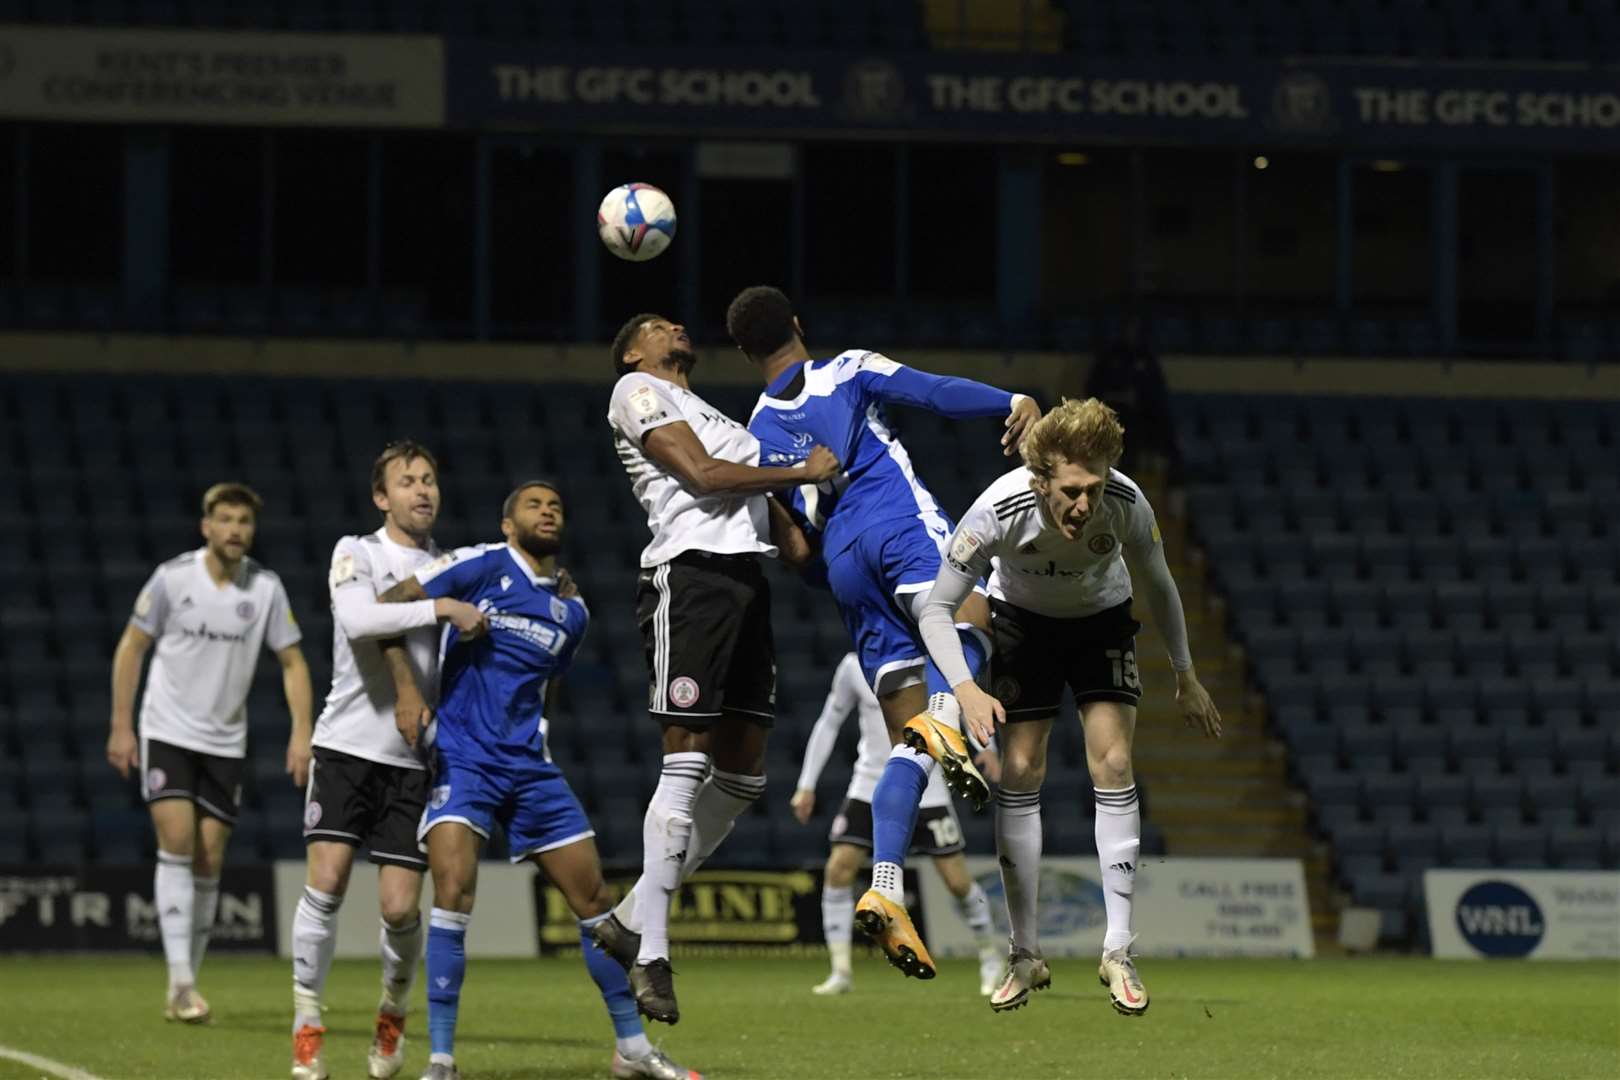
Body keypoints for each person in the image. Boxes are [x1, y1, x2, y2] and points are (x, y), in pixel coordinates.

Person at [727, 284, 1040, 980]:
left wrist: (835, 565)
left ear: (747, 352)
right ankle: (948, 711)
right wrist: (1010, 402)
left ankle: (888, 881)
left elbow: (796, 551)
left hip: (842, 565)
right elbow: (933, 392)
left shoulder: (757, 434)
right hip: (897, 524)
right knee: (974, 616)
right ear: (798, 326)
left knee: (913, 746)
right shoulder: (845, 368)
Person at [376, 482, 703, 1080]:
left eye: (556, 504)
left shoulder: (572, 612)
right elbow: (389, 607)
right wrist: (408, 684)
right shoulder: (482, 565)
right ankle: (442, 1060)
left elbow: (547, 681)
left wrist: (541, 726)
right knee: (453, 895)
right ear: (508, 524)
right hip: (465, 758)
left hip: (531, 767)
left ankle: (632, 1051)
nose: (549, 510)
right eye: (534, 504)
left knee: (595, 903)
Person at [915, 398, 1223, 1015]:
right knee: (1022, 770)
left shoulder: (1128, 502)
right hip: (1022, 626)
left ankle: (1117, 952)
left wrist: (1186, 675)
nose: (1086, 504)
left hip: (1101, 621)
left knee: (1112, 764)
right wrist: (966, 689)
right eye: (1072, 490)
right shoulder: (996, 510)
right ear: (1040, 481)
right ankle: (1024, 954)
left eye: (1096, 487)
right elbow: (933, 608)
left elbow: (1160, 583)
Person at [589, 314, 837, 1024]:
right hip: (689, 578)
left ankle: (631, 915)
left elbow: (787, 541)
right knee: (687, 762)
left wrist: (810, 518)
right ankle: (653, 955)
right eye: (656, 325)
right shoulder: (635, 390)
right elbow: (699, 475)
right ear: (633, 349)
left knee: (744, 775)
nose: (675, 327)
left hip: (746, 583)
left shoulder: (721, 414)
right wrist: (798, 470)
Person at [289, 442, 490, 1080]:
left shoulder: (451, 563)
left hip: (413, 758)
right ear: (383, 497)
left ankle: (391, 1014)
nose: (422, 491)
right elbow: (356, 619)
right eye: (407, 482)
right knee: (326, 884)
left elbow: (501, 587)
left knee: (402, 909)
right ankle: (307, 1027)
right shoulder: (359, 551)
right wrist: (440, 608)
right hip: (347, 745)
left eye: (429, 480)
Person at [106, 482, 313, 1024]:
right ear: (206, 527)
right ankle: (180, 983)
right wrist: (121, 726)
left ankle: (187, 984)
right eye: (225, 519)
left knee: (209, 858)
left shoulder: (266, 588)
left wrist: (301, 732)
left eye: (244, 521)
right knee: (176, 841)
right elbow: (132, 646)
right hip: (168, 729)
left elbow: (292, 662)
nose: (235, 530)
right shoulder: (174, 578)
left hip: (225, 740)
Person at [791, 652, 1002, 997]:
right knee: (838, 870)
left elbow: (964, 700)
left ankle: (990, 959)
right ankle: (840, 970)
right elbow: (830, 720)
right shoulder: (853, 665)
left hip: (928, 787)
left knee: (957, 882)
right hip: (870, 783)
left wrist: (987, 745)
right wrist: (806, 784)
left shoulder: (935, 659)